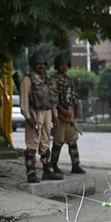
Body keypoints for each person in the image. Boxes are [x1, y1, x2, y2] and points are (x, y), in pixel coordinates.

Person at [20, 52, 64, 183]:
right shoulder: (27, 80)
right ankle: (31, 172)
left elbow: (52, 99)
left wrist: (55, 116)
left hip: (47, 114)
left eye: (43, 64)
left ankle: (48, 170)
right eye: (38, 64)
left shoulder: (47, 80)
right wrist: (28, 116)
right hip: (35, 113)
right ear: (34, 65)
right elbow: (24, 101)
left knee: (45, 142)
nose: (41, 66)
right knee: (32, 143)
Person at [50, 54, 86, 174]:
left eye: (66, 65)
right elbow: (53, 98)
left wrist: (77, 108)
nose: (64, 67)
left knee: (72, 140)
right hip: (59, 114)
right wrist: (61, 110)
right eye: (62, 65)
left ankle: (75, 165)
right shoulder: (54, 80)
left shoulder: (69, 80)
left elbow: (74, 95)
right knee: (58, 140)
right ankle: (53, 165)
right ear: (57, 66)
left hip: (70, 112)